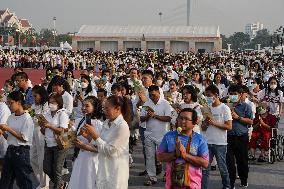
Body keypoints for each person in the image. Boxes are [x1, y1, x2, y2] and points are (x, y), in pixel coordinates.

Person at [82, 95, 130, 189]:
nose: (104, 111)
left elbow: (111, 151)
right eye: (103, 108)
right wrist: (89, 137)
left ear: (117, 109)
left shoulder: (122, 126)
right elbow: (100, 144)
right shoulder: (106, 122)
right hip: (103, 168)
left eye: (107, 109)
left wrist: (95, 136)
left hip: (115, 170)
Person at [157, 108, 209, 189]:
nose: (182, 121)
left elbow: (205, 163)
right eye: (180, 118)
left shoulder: (200, 139)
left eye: (186, 119)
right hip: (171, 185)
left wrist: (185, 155)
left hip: (192, 185)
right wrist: (175, 154)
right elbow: (159, 157)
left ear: (194, 123)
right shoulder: (169, 136)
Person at [0, 91, 34, 189]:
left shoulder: (27, 118)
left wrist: (8, 129)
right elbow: (9, 138)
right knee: (5, 180)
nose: (9, 105)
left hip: (22, 152)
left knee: (24, 181)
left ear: (18, 102)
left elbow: (24, 138)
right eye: (8, 103)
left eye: (11, 103)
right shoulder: (11, 117)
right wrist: (3, 132)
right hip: (10, 149)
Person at [68, 96, 103, 189]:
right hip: (79, 156)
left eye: (87, 106)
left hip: (91, 159)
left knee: (89, 182)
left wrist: (87, 140)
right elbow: (74, 136)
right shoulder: (80, 120)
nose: (83, 108)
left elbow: (99, 146)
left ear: (94, 107)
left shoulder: (98, 124)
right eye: (83, 105)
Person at [201, 85, 232, 189]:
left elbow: (229, 126)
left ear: (216, 95)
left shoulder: (225, 108)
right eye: (206, 96)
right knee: (205, 169)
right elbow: (203, 128)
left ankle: (227, 186)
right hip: (207, 143)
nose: (208, 98)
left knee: (222, 168)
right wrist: (205, 123)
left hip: (220, 144)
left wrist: (214, 123)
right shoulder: (206, 108)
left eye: (209, 96)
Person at [140, 85, 172, 185]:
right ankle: (151, 177)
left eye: (153, 95)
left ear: (158, 92)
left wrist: (155, 116)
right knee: (149, 156)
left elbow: (168, 118)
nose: (152, 97)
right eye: (150, 95)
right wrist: (148, 116)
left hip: (163, 134)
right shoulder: (146, 104)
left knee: (164, 157)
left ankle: (167, 175)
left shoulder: (165, 103)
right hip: (149, 134)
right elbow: (141, 119)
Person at [226, 84, 253, 188]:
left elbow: (250, 121)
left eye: (235, 94)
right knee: (230, 162)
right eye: (231, 94)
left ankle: (244, 179)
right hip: (228, 137)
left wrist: (238, 117)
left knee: (242, 161)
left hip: (241, 137)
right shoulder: (226, 106)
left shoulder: (246, 106)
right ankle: (231, 182)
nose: (233, 96)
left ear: (241, 95)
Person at [41, 93, 69, 189]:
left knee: (57, 169)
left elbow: (63, 130)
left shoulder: (62, 113)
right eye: (50, 102)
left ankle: (57, 186)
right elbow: (44, 131)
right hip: (48, 143)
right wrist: (42, 127)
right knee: (46, 168)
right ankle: (61, 183)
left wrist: (50, 126)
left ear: (58, 103)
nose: (50, 104)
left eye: (53, 102)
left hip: (59, 144)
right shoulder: (47, 113)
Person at [30, 85, 50, 189]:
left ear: (41, 95)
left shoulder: (47, 105)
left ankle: (45, 184)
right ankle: (42, 181)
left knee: (42, 159)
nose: (34, 98)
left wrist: (36, 118)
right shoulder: (34, 106)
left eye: (36, 96)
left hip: (43, 133)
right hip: (34, 133)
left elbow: (44, 121)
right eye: (33, 96)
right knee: (32, 158)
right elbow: (33, 119)